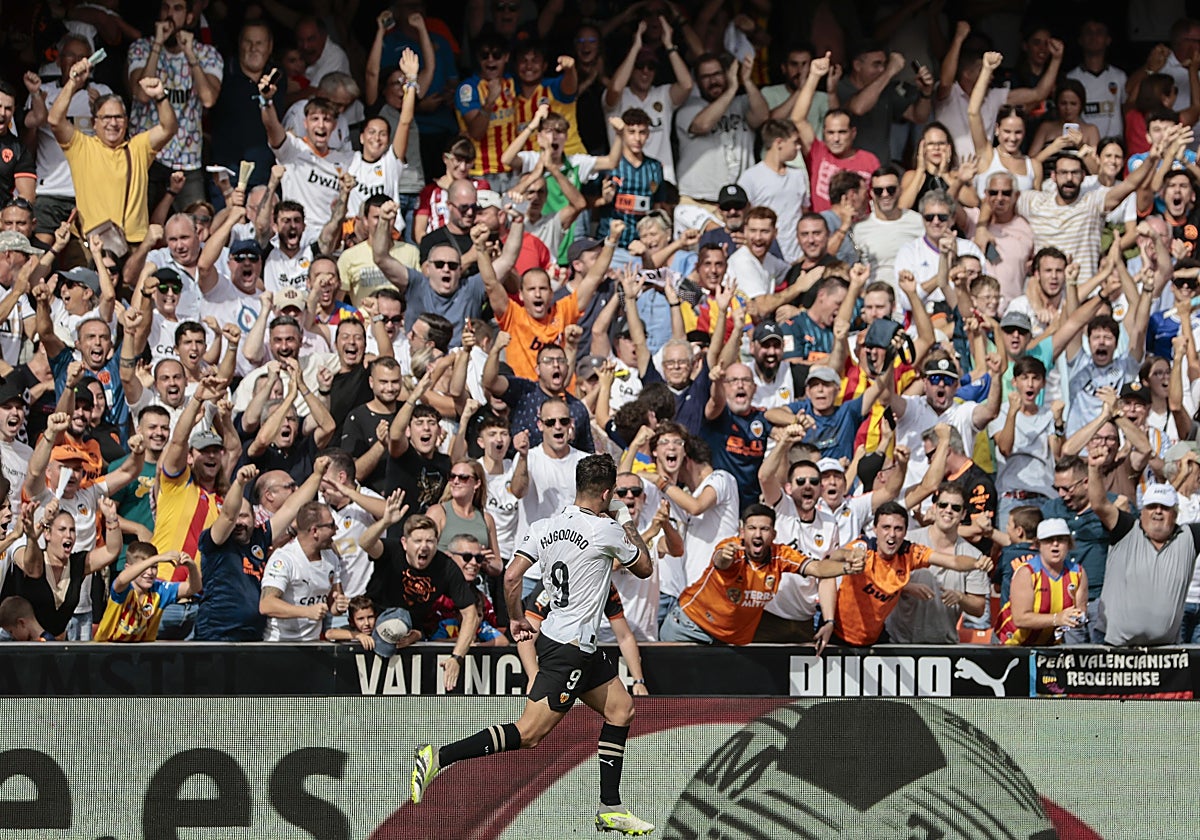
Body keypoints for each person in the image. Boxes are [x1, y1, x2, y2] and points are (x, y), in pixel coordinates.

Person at [410, 454, 658, 837]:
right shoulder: (606, 530)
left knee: (622, 709)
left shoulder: (547, 525)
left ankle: (611, 807)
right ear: (607, 493)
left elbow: (511, 577)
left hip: (569, 641)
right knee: (530, 734)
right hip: (571, 648)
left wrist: (516, 618)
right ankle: (438, 757)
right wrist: (625, 520)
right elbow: (644, 567)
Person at [660, 502, 864, 647]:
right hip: (689, 629)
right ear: (742, 532)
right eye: (752, 528)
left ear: (773, 534)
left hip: (728, 641)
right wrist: (725, 556)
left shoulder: (780, 555)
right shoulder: (732, 549)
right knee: (675, 702)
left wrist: (848, 568)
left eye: (764, 529)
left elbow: (817, 569)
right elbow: (720, 560)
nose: (757, 534)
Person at [49, 55, 179, 245]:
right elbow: (54, 120)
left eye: (118, 117)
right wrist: (73, 83)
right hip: (91, 245)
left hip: (132, 244)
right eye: (106, 117)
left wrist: (160, 95)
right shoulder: (81, 146)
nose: (113, 123)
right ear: (94, 123)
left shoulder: (138, 148)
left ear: (126, 122)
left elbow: (168, 128)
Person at [833, 501, 994, 646]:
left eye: (898, 529)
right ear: (875, 529)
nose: (892, 534)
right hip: (838, 635)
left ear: (905, 532)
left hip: (873, 641)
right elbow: (834, 556)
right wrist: (848, 556)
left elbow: (952, 561)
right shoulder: (863, 547)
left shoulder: (910, 551)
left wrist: (975, 563)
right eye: (886, 527)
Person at [1089, 449, 1199, 646]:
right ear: (1142, 511)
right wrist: (1094, 469)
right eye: (1152, 506)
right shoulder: (1126, 529)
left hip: (1165, 654)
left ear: (1175, 514)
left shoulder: (1189, 537)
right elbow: (1099, 504)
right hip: (1115, 647)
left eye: (1164, 507)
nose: (1157, 511)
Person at [126, 0, 224, 209]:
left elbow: (208, 99)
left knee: (194, 228)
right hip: (148, 157)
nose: (169, 15)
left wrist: (190, 54)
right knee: (141, 229)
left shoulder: (208, 54)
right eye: (165, 7)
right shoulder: (142, 48)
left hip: (187, 160)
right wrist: (157, 45)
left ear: (189, 17)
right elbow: (141, 94)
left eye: (177, 9)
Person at [883, 483, 989, 644]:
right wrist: (906, 587)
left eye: (956, 507)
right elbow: (880, 578)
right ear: (934, 508)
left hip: (943, 647)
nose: (948, 510)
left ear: (963, 514)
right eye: (943, 505)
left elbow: (979, 608)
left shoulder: (974, 556)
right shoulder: (907, 541)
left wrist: (960, 597)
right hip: (897, 643)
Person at [259, 500, 349, 641]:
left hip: (312, 644)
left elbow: (333, 603)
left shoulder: (331, 557)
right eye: (331, 525)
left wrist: (338, 606)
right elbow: (266, 604)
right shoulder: (284, 559)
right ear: (315, 531)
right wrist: (307, 611)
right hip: (280, 644)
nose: (336, 529)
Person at [995, 517, 1088, 646]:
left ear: (1069, 544)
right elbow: (1021, 619)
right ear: (1038, 545)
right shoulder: (1027, 572)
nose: (1055, 544)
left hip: (1049, 644)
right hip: (1010, 644)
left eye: (1061, 540)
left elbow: (1080, 613)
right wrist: (1057, 618)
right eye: (1049, 540)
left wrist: (1077, 618)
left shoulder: (1078, 573)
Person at [93, 544, 200, 642]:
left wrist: (191, 566)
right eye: (144, 567)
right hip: (107, 651)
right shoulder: (124, 588)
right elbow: (121, 580)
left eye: (154, 567)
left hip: (141, 655)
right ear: (127, 568)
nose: (150, 572)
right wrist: (157, 558)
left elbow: (193, 588)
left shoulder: (159, 590)